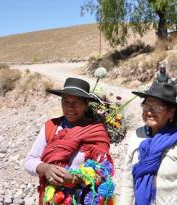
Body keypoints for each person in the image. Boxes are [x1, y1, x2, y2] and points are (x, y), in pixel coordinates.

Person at [24, 77, 113, 205]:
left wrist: (76, 178)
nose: (70, 107)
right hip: (52, 198)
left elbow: (104, 171)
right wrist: (45, 168)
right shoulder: (51, 127)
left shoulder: (96, 132)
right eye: (65, 101)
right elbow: (30, 160)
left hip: (84, 199)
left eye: (76, 102)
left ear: (86, 104)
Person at [119, 81, 177, 205]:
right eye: (146, 106)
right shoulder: (137, 136)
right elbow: (128, 182)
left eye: (157, 107)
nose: (149, 112)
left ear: (171, 112)